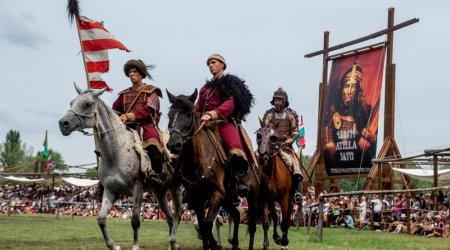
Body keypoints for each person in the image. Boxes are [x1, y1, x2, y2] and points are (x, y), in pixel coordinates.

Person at [195, 54, 254, 197]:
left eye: (213, 62)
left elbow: (229, 105)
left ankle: (239, 180)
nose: (210, 65)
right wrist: (193, 115)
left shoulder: (230, 83)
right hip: (204, 122)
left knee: (234, 148)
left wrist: (213, 114)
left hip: (224, 121)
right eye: (209, 63)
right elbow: (198, 106)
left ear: (222, 65)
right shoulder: (205, 88)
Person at [112, 59, 164, 174]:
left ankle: (157, 174)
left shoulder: (152, 91)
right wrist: (118, 116)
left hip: (146, 126)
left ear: (141, 73)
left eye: (134, 71)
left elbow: (149, 110)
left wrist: (129, 115)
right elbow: (115, 110)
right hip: (127, 127)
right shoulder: (123, 94)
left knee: (153, 143)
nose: (131, 74)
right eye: (130, 72)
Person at [322, 61, 377, 170]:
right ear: (341, 88)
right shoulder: (331, 114)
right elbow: (328, 148)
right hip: (336, 165)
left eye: (353, 87)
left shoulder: (366, 112)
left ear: (358, 91)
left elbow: (371, 146)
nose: (349, 91)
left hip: (360, 164)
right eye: (346, 86)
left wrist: (371, 137)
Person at [261, 87, 303, 203]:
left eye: (279, 100)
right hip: (270, 146)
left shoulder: (290, 114)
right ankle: (254, 189)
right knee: (255, 160)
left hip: (285, 147)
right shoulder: (269, 114)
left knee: (295, 165)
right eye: (276, 100)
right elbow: (264, 129)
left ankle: (296, 192)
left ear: (284, 101)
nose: (277, 102)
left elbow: (296, 131)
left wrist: (291, 140)